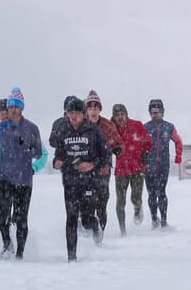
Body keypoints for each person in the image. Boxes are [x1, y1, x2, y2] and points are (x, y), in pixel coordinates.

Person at [0, 87, 44, 259]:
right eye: (11, 106)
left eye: (17, 106)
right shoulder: (0, 127)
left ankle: (20, 254)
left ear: (22, 108)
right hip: (4, 178)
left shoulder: (32, 128)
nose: (13, 109)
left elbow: (38, 152)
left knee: (21, 219)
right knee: (2, 218)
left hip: (24, 180)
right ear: (7, 108)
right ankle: (7, 244)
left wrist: (27, 148)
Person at [53, 96, 111, 262]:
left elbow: (106, 154)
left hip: (89, 181)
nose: (73, 116)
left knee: (85, 219)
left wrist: (92, 164)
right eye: (70, 113)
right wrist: (57, 163)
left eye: (77, 113)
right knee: (71, 218)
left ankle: (95, 227)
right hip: (70, 182)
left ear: (84, 114)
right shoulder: (63, 132)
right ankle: (72, 257)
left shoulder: (93, 131)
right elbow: (58, 156)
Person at [111, 103, 153, 235]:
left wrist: (145, 153)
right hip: (121, 170)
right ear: (113, 116)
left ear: (126, 114)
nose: (120, 117)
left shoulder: (137, 125)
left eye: (122, 114)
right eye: (117, 115)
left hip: (137, 167)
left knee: (135, 197)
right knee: (120, 201)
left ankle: (137, 208)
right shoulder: (110, 128)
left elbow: (148, 141)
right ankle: (122, 231)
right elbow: (106, 142)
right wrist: (111, 148)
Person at [84, 90, 122, 234]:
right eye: (90, 108)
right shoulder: (81, 125)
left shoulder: (107, 125)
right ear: (86, 110)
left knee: (101, 202)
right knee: (87, 203)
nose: (93, 111)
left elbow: (119, 143)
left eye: (96, 108)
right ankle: (89, 225)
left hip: (103, 170)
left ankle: (100, 233)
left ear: (100, 109)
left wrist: (117, 149)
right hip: (85, 171)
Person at [143, 98, 183, 228]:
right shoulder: (145, 127)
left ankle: (164, 220)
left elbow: (178, 141)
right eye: (153, 112)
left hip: (163, 166)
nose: (155, 114)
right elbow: (138, 145)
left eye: (158, 112)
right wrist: (139, 159)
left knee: (161, 192)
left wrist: (178, 156)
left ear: (162, 112)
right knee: (151, 194)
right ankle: (154, 219)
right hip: (148, 166)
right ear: (150, 113)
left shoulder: (169, 127)